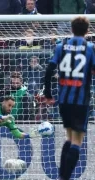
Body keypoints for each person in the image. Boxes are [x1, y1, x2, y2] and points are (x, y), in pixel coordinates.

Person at [44, 16, 95, 180]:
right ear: (87, 31)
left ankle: (62, 177)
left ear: (71, 29)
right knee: (77, 141)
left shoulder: (60, 46)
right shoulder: (90, 47)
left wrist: (48, 94)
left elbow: (49, 69)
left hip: (64, 100)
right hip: (81, 101)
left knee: (69, 137)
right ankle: (64, 178)